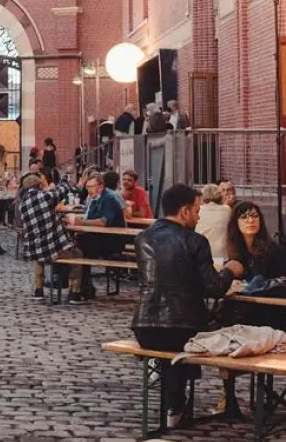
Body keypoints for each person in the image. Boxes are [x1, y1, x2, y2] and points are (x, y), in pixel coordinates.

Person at [132, 183, 243, 428]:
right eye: (196, 210)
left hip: (144, 327)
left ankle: (173, 401)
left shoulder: (142, 238)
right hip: (182, 328)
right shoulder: (195, 241)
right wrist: (230, 270)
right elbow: (214, 288)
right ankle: (180, 404)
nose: (199, 215)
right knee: (226, 325)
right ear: (184, 212)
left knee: (176, 344)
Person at [18, 173, 83, 303]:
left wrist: (56, 219)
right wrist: (65, 177)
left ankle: (39, 291)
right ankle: (75, 293)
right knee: (78, 256)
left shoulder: (22, 205)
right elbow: (63, 189)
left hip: (35, 250)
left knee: (39, 259)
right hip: (54, 250)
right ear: (39, 185)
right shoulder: (46, 196)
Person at [65, 171, 126, 300]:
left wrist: (80, 222)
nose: (89, 191)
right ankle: (81, 287)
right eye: (87, 187)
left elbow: (103, 222)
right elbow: (88, 218)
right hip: (97, 237)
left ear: (101, 187)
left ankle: (80, 287)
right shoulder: (92, 199)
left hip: (112, 240)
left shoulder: (109, 199)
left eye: (91, 187)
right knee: (73, 244)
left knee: (77, 246)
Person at [195, 183, 231, 259]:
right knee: (218, 270)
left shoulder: (198, 210)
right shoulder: (227, 210)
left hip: (201, 254)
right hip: (220, 255)